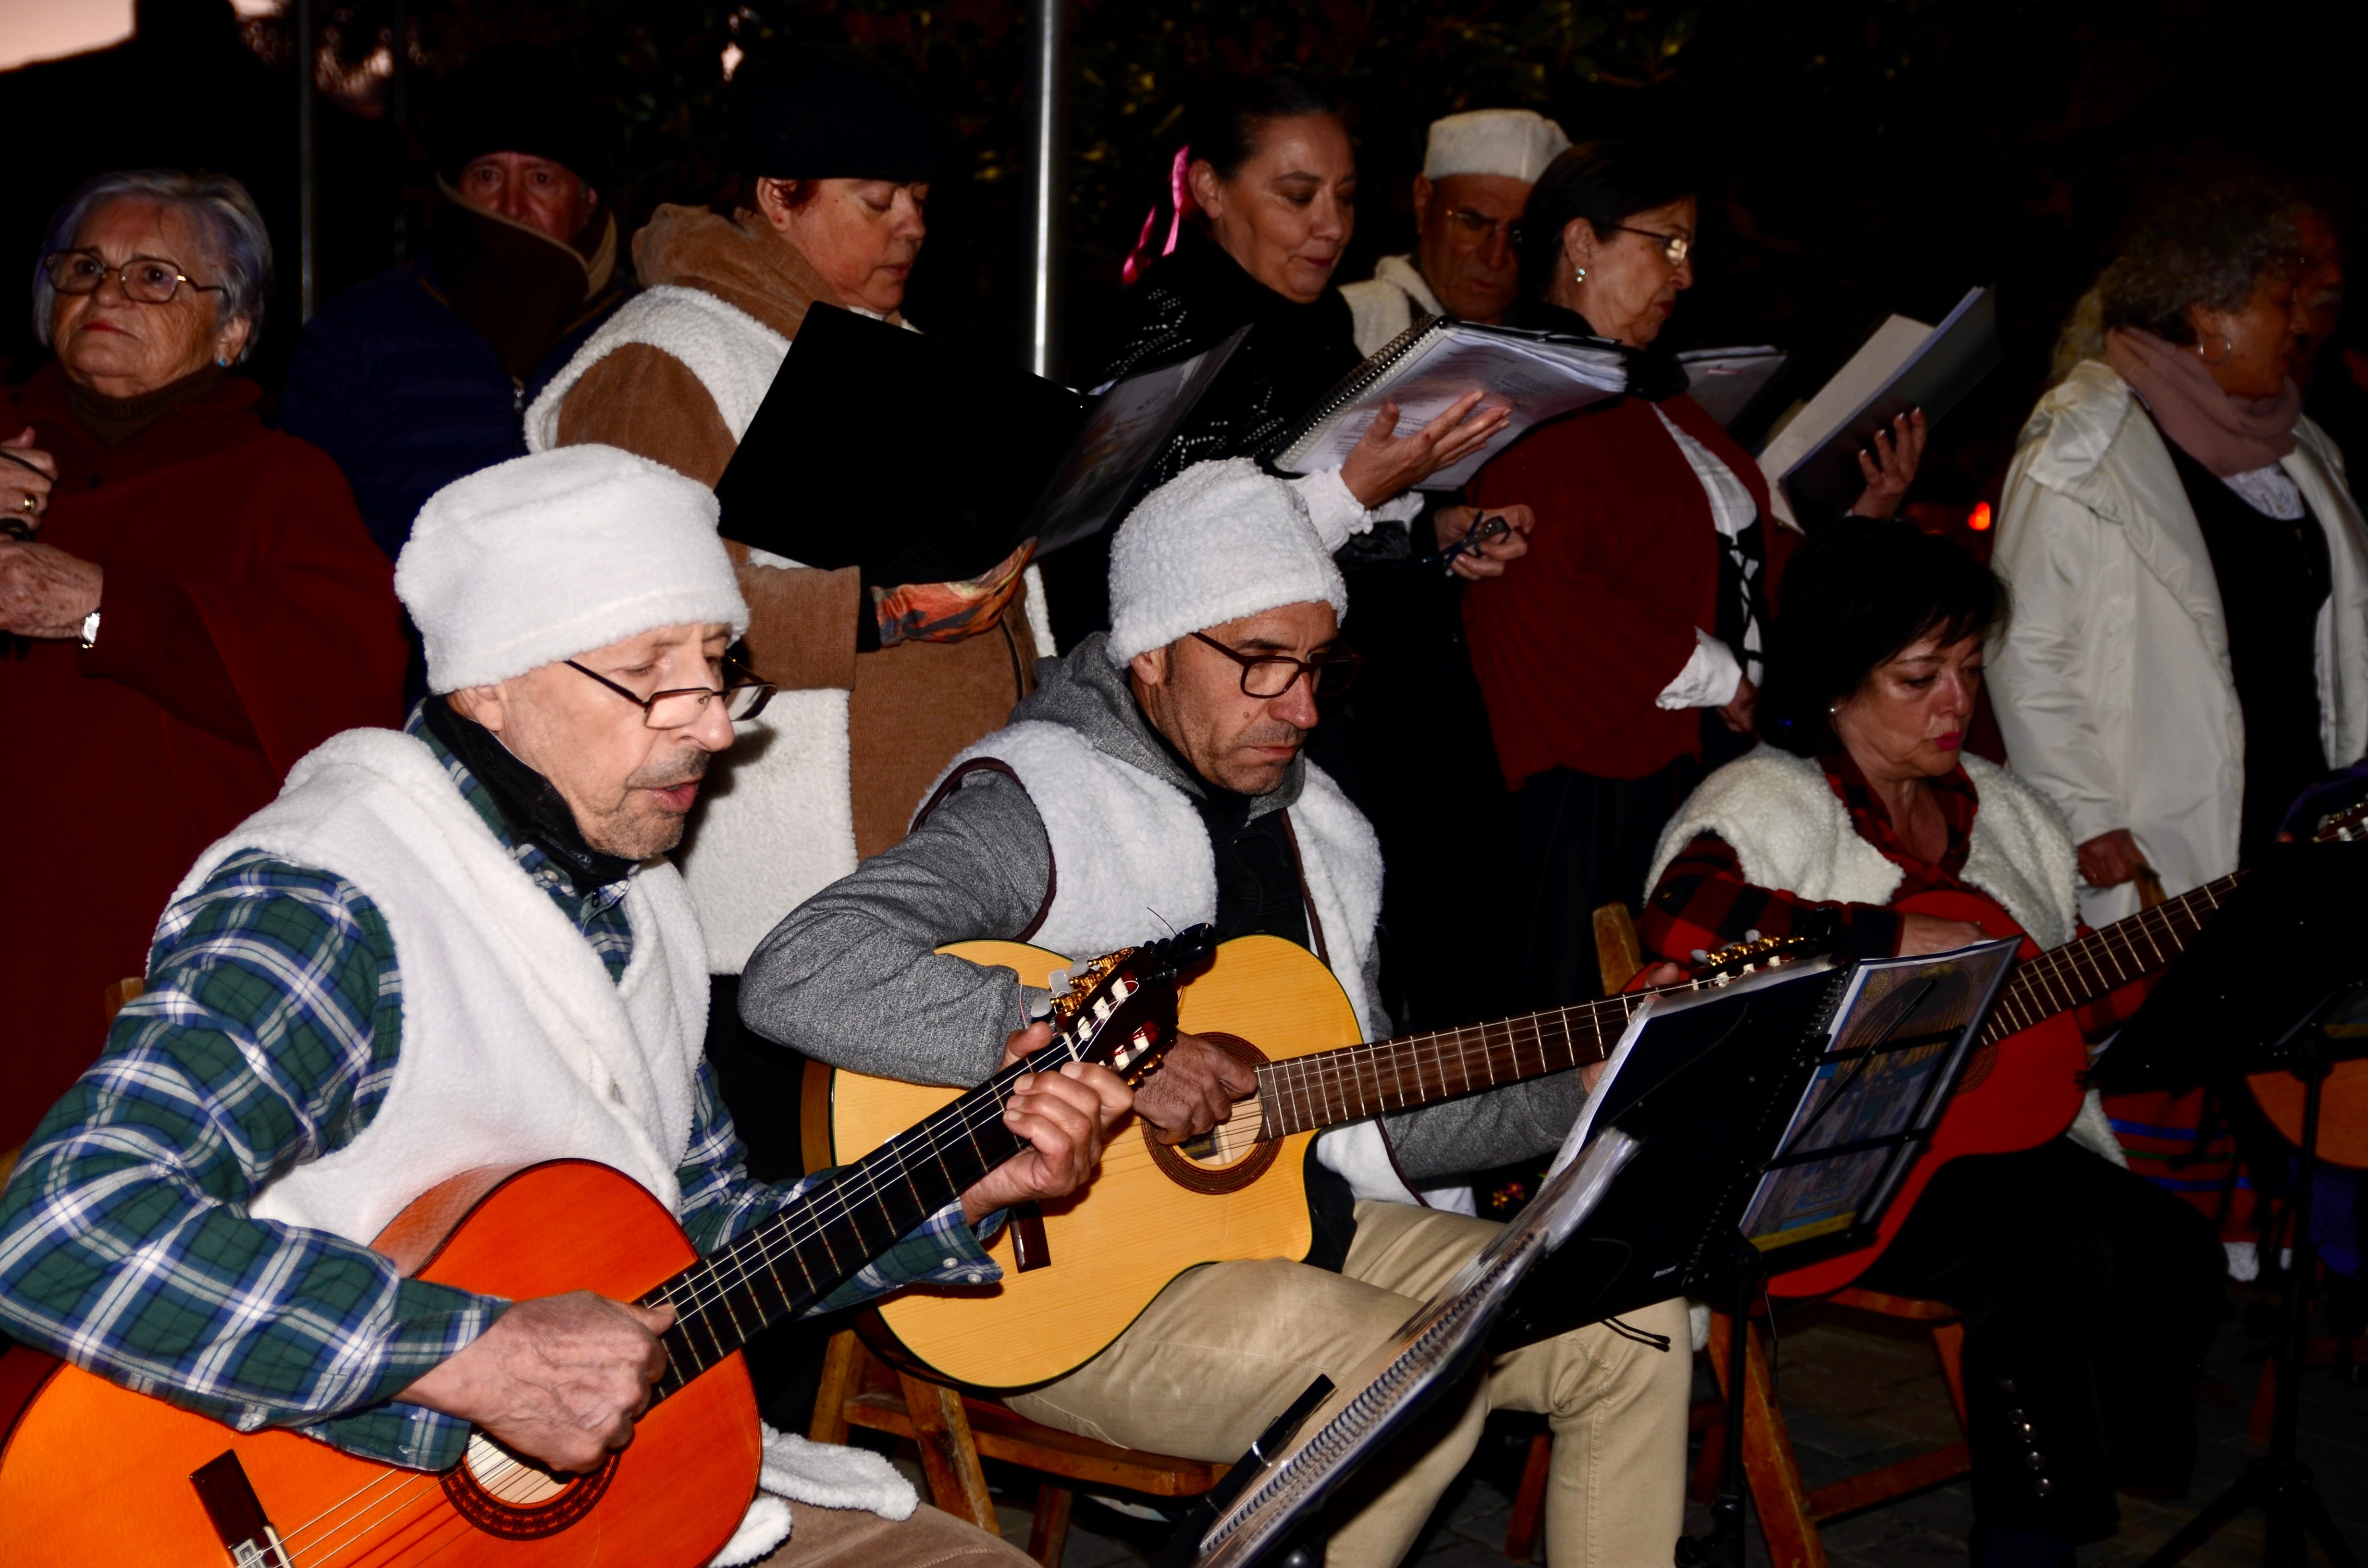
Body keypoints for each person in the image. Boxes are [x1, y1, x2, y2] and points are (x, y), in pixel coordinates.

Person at [0, 445, 1127, 1568]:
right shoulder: (335, 905)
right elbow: (60, 1226)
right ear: (492, 684)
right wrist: (469, 1355)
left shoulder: (636, 909)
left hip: (615, 1504)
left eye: (719, 666)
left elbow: (690, 1247)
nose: (717, 727)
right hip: (321, 1501)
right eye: (654, 673)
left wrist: (950, 1184)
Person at [741, 460, 1694, 1568]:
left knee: (1633, 1325)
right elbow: (799, 968)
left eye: (1317, 670)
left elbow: (1373, 1119)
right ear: (1153, 648)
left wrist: (1579, 1087)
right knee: (1406, 1379)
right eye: (1259, 667)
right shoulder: (1038, 801)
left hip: (1290, 1233)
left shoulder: (1319, 830)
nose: (1298, 709)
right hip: (1056, 1287)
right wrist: (1110, 1040)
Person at [1638, 520, 2226, 1568]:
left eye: (1965, 670)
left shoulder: (2007, 817)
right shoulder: (1768, 802)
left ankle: (2085, 1465)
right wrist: (1883, 933)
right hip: (1827, 1158)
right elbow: (1684, 917)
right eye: (1918, 678)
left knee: (2172, 1247)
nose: (1956, 702)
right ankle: (2029, 1545)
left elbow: (2074, 1007)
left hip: (1985, 1143)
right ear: (1837, 684)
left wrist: (2171, 963)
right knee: (2051, 1257)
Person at [525, 46, 1049, 1036]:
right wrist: (878, 611)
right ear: (777, 197)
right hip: (769, 929)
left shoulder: (892, 350)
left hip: (932, 892)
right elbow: (639, 612)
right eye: (878, 202)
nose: (915, 228)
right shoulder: (664, 354)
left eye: (921, 202)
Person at [1460, 140, 1925, 1010]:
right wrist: (1718, 674)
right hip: (1597, 776)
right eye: (1665, 243)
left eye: (1689, 248)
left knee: (1704, 1011)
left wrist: (1863, 520)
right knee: (1594, 1019)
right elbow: (1543, 584)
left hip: (1693, 755)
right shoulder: (1528, 387)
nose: (1685, 271)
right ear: (1580, 242)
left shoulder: (1655, 397)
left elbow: (1740, 557)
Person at [0, 169, 405, 1153]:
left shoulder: (280, 483)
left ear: (234, 330)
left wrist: (106, 611)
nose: (105, 296)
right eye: (86, 268)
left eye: (154, 279)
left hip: (138, 965)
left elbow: (346, 698)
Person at [1041, 73, 1529, 647]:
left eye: (1344, 197)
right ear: (1210, 189)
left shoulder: (1317, 319)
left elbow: (1320, 499)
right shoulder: (1174, 323)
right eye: (1298, 196)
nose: (1333, 226)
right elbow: (1148, 555)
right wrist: (1352, 493)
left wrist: (1430, 531)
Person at [1992, 188, 2368, 929]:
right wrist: (2082, 809)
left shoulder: (2302, 448)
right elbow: (2024, 643)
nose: (2299, 325)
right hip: (2162, 825)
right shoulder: (2080, 451)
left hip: (2309, 804)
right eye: (2278, 302)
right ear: (2208, 316)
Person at [278, 44, 632, 564]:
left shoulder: (642, 334)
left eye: (541, 179)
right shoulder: (355, 333)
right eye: (487, 176)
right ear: (453, 189)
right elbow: (298, 530)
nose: (511, 207)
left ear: (588, 201)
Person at [1340, 108, 1570, 355]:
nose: (1496, 258)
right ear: (1423, 201)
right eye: (1473, 224)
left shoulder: (1555, 347)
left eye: (1520, 235)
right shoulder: (1345, 323)